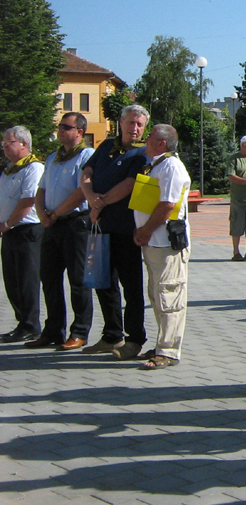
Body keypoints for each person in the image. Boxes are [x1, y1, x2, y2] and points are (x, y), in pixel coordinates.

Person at [80, 105, 149, 358]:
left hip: (126, 229)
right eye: (131, 123)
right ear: (121, 122)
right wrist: (91, 199)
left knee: (131, 287)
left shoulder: (142, 154)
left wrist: (101, 203)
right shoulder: (105, 146)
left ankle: (135, 338)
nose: (135, 128)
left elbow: (130, 184)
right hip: (101, 227)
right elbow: (87, 173)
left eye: (140, 125)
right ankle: (112, 335)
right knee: (103, 282)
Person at [26, 113, 95, 350]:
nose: (61, 130)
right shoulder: (54, 157)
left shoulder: (87, 156)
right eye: (60, 126)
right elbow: (41, 189)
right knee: (50, 279)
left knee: (78, 280)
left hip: (75, 224)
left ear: (80, 132)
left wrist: (55, 214)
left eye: (67, 127)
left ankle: (80, 332)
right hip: (52, 224)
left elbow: (80, 193)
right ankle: (53, 330)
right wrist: (43, 213)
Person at [132, 125, 191, 369]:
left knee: (169, 296)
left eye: (150, 137)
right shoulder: (157, 164)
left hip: (166, 242)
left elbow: (168, 205)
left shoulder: (171, 166)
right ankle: (162, 343)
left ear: (161, 143)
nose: (145, 139)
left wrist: (144, 230)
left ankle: (168, 350)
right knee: (157, 296)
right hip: (154, 243)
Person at [0, 126, 44, 343]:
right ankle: (22, 323)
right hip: (9, 231)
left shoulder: (33, 168)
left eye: (9, 142)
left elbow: (28, 201)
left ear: (23, 144)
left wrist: (8, 222)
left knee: (27, 279)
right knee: (12, 280)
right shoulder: (9, 169)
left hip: (27, 230)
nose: (4, 146)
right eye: (4, 143)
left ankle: (31, 325)